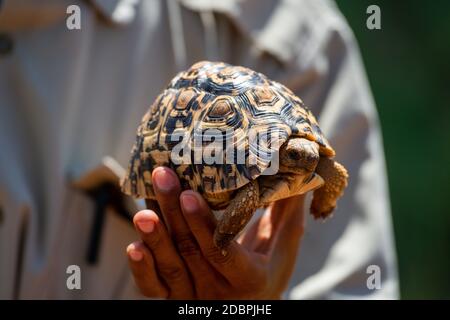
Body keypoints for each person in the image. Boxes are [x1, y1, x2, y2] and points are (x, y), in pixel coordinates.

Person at [0, 0, 398, 299]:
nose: (307, 160)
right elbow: (250, 191)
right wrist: (222, 241)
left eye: (305, 154)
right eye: (295, 156)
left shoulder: (296, 42)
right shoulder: (255, 181)